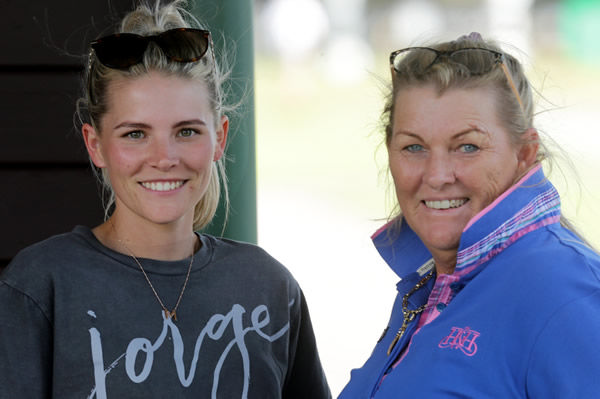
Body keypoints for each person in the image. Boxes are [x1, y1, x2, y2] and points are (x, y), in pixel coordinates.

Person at [0, 1, 331, 398]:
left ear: (220, 138)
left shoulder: (268, 287)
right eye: (135, 134)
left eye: (187, 131)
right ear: (96, 144)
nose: (164, 159)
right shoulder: (40, 285)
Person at [339, 32, 600, 398]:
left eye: (467, 146)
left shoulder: (568, 296)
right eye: (413, 147)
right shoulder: (432, 284)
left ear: (525, 152)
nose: (437, 175)